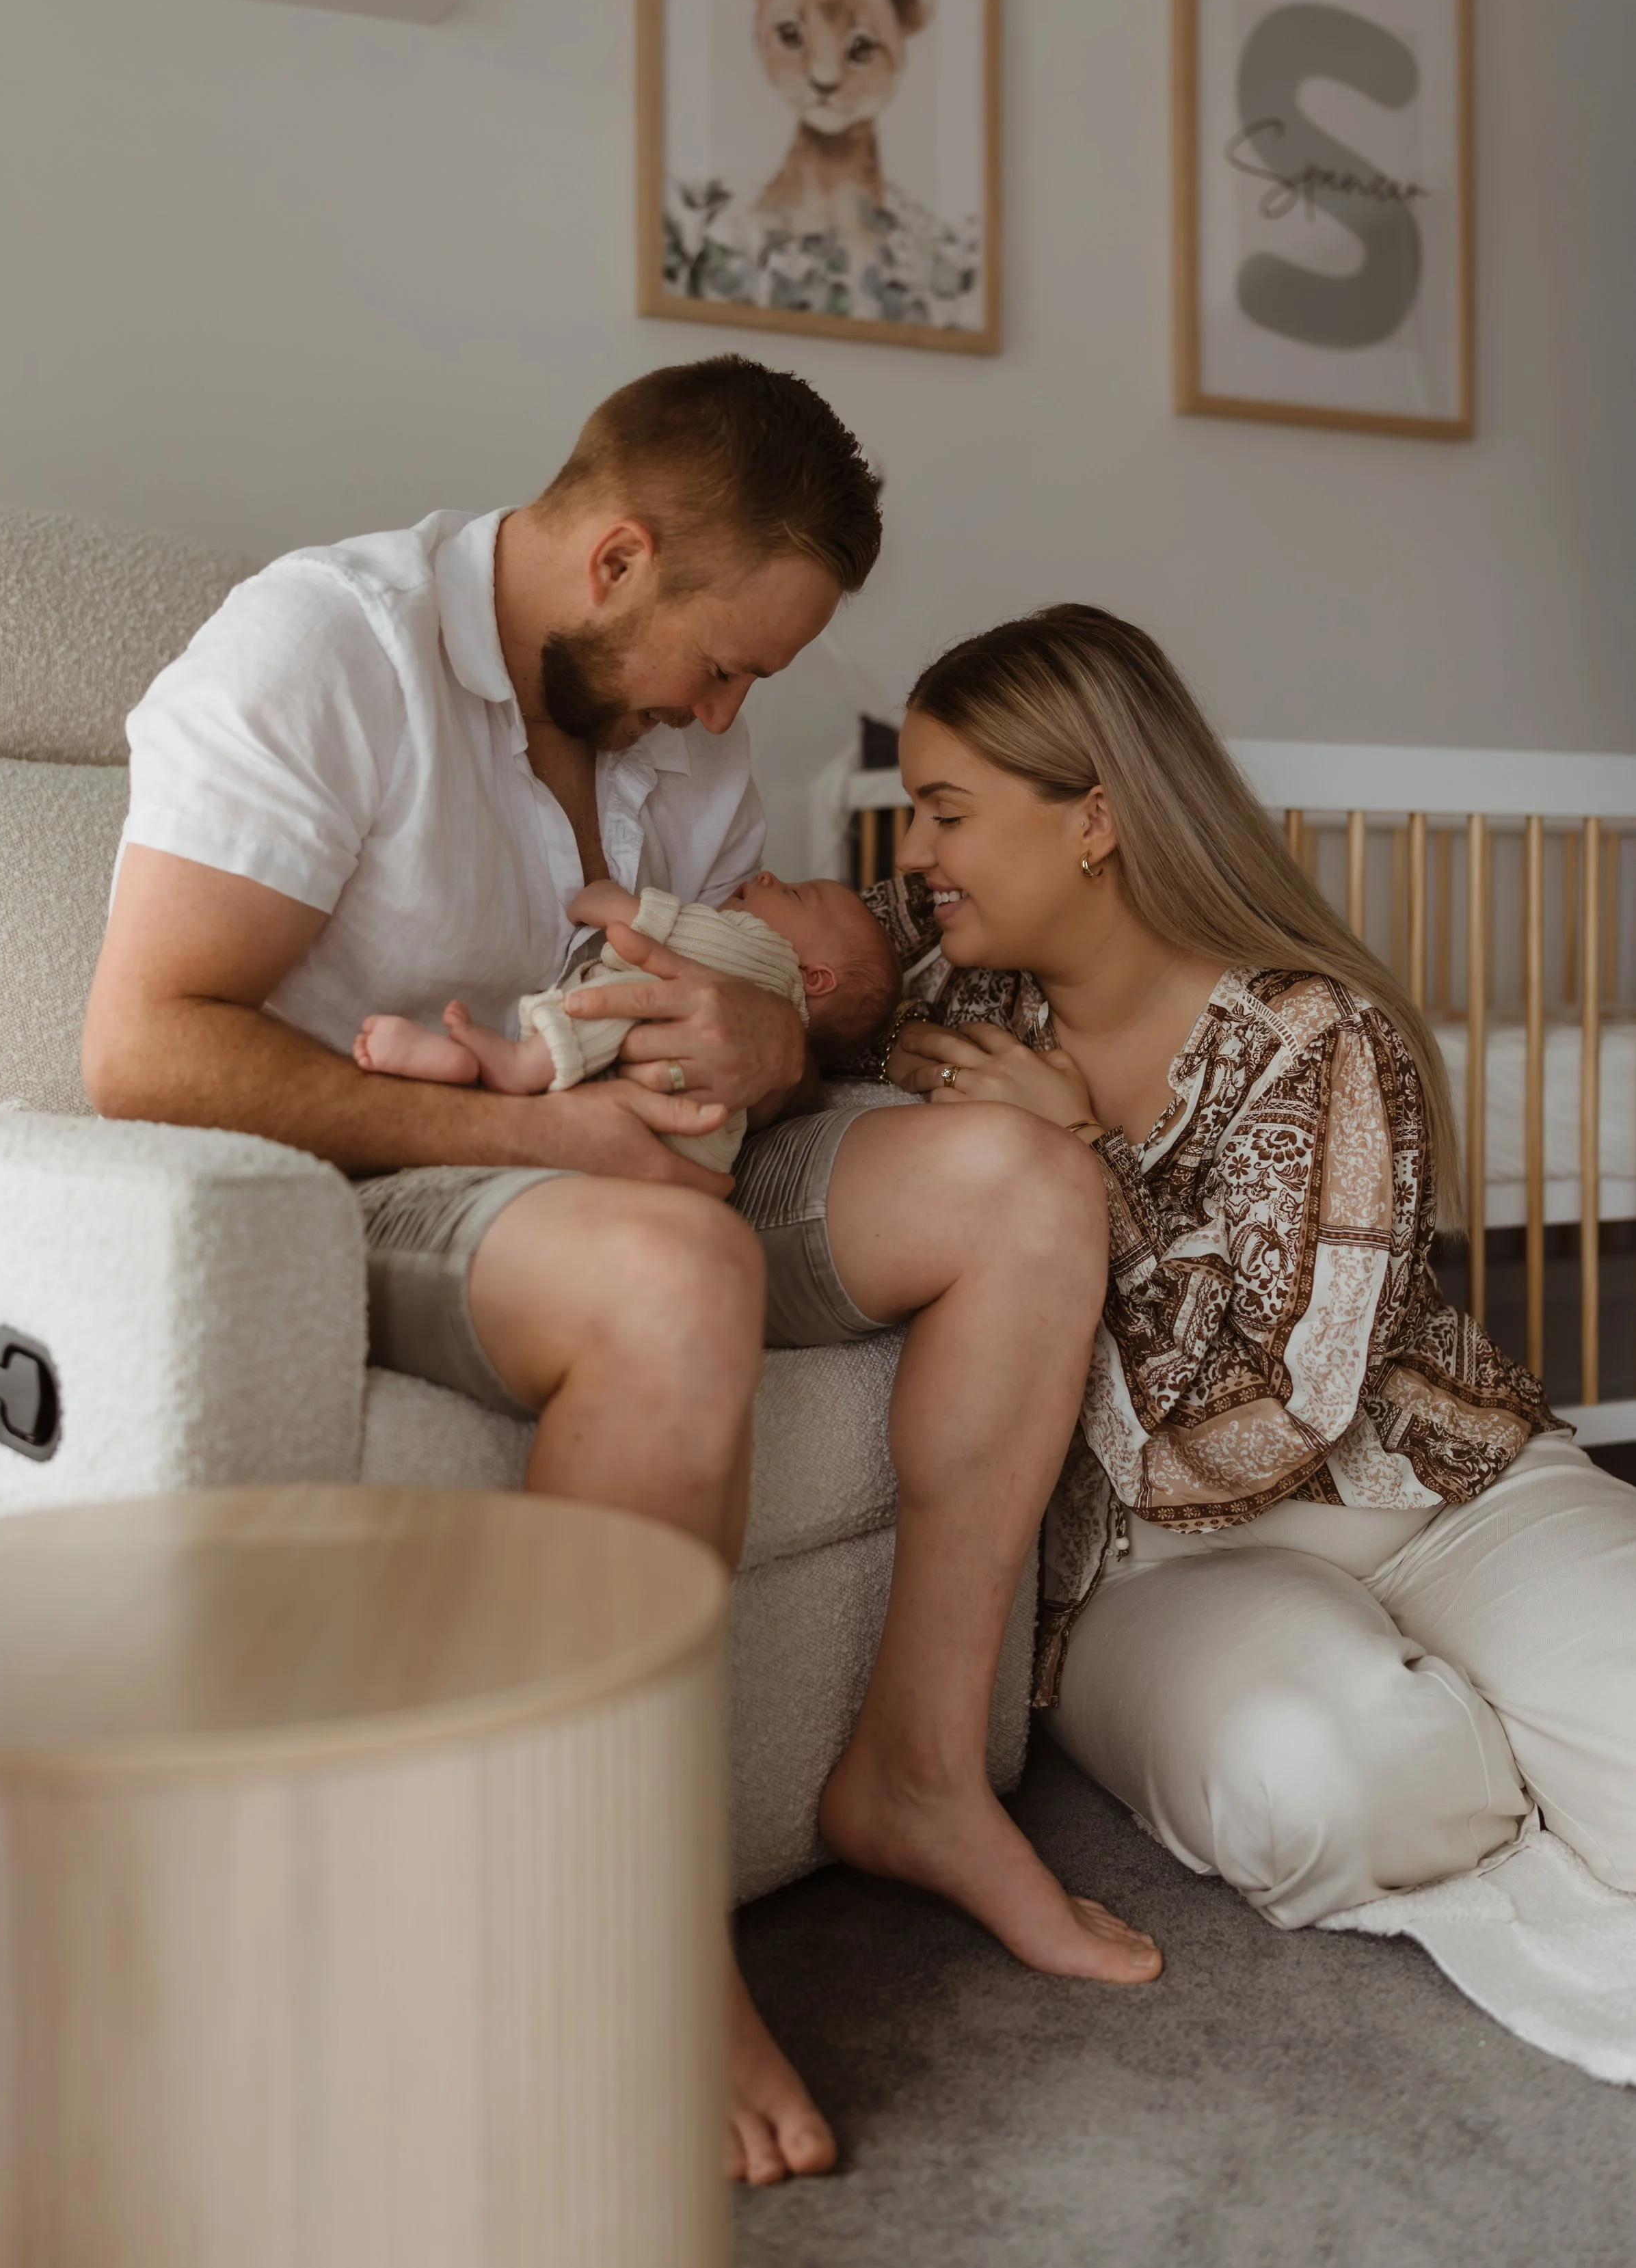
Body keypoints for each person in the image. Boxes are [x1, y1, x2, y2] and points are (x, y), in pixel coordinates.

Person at [81, 359, 1154, 2192]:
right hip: (370, 1179)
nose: (726, 715)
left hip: (640, 1151)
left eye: (748, 685)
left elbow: (745, 1007)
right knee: (673, 1272)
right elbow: (144, 1049)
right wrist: (546, 1140)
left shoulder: (677, 732)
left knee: (1030, 1191)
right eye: (720, 667)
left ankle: (915, 1775)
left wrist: (772, 1038)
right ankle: (618, 1915)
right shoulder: (321, 652)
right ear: (616, 560)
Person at [870, 600, 1636, 1928]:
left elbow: (1286, 1409)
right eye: (909, 813)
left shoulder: (1317, 1036)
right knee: (1341, 1795)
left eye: (945, 813)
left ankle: (1509, 1699)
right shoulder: (950, 993)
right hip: (1145, 1567)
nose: (911, 853)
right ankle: (1446, 1729)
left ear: (1094, 820)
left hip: (1432, 1491)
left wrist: (1084, 1162)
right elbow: (807, 951)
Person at [353, 867, 899, 1172]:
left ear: (815, 978)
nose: (770, 875)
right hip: (683, 1145)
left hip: (641, 1100)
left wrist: (616, 905)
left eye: (795, 893)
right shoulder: (765, 995)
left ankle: (521, 1061)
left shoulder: (768, 956)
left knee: (625, 998)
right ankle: (461, 1067)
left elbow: (682, 930)